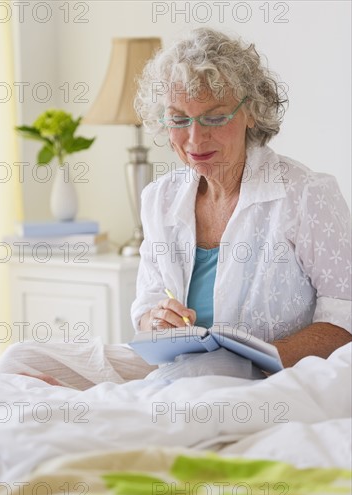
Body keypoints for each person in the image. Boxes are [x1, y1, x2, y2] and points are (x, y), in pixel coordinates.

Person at [131, 27, 351, 369]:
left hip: (275, 378)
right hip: (179, 370)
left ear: (252, 112)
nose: (194, 139)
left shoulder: (306, 194)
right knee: (24, 357)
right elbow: (146, 311)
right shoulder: (159, 199)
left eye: (215, 117)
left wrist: (250, 360)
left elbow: (345, 317)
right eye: (179, 119)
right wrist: (158, 321)